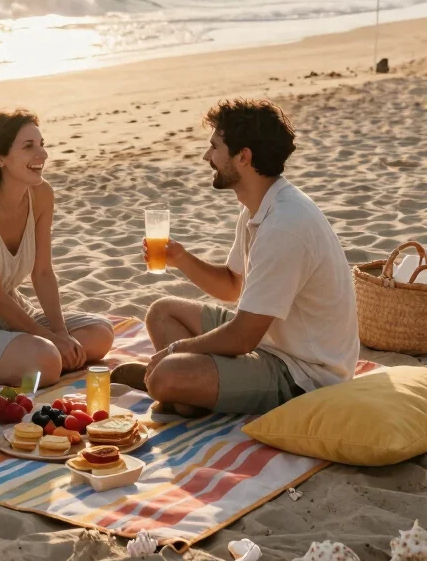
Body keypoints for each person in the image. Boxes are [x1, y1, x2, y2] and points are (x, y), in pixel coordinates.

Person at [112, 98, 359, 416]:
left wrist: (176, 349)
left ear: (243, 156)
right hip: (271, 342)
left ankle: (183, 387)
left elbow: (243, 337)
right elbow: (231, 286)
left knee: (166, 375)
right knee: (162, 313)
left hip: (304, 374)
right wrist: (182, 258)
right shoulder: (260, 205)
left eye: (214, 147)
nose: (206, 156)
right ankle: (194, 392)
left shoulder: (285, 225)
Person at [0, 109, 113, 387]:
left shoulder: (41, 195)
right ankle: (37, 358)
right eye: (28, 147)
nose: (42, 155)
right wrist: (51, 340)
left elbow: (42, 273)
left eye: (42, 145)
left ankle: (31, 357)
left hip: (15, 311)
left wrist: (61, 332)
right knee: (47, 359)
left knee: (100, 332)